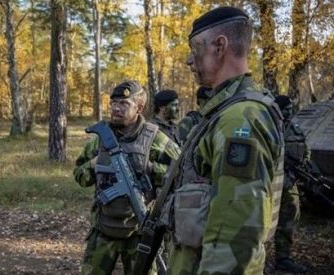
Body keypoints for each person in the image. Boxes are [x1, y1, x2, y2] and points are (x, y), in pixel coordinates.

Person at [161, 7, 284, 274]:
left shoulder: (239, 119)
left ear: (220, 46)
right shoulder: (222, 113)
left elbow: (235, 235)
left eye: (195, 48)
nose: (189, 61)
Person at [74, 80, 180, 275]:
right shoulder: (100, 138)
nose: (116, 108)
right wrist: (95, 164)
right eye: (114, 103)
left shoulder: (155, 138)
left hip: (140, 230)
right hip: (104, 228)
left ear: (139, 107)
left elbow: (179, 174)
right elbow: (80, 176)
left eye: (124, 104)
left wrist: (149, 168)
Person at [273, 95, 308, 273]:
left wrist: (301, 168)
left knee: (288, 220)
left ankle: (283, 258)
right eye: (286, 108)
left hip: (290, 183)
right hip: (271, 185)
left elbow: (305, 150)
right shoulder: (269, 127)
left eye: (290, 108)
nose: (289, 111)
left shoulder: (295, 129)